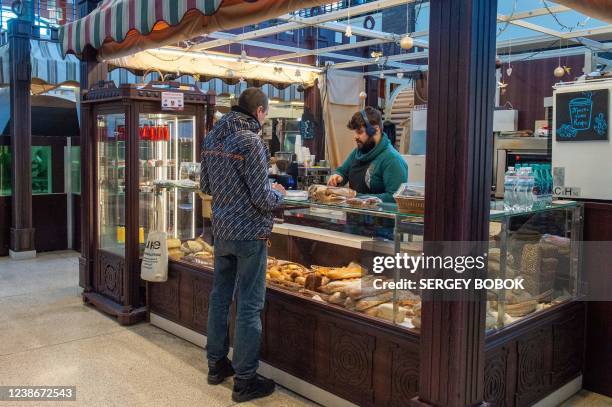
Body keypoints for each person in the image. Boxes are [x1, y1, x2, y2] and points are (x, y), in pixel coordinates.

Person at [200, 87, 286, 403]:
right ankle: (245, 380)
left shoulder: (211, 138)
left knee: (220, 297)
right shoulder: (252, 142)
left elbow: (206, 186)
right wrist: (280, 192)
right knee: (249, 305)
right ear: (260, 112)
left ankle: (215, 365)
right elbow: (263, 199)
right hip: (250, 234)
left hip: (221, 231)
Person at [328, 106, 408, 202]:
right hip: (355, 215)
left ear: (376, 130)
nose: (355, 137)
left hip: (379, 216)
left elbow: (394, 198)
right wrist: (337, 177)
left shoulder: (392, 160)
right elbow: (343, 171)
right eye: (355, 132)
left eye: (360, 132)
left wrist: (355, 196)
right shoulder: (359, 151)